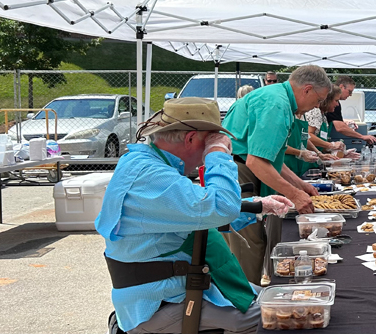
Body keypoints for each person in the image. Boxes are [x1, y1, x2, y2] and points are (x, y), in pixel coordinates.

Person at [97, 98, 293, 334]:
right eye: (210, 141)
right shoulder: (150, 175)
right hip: (161, 300)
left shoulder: (145, 164)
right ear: (191, 139)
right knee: (283, 318)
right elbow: (217, 208)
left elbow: (190, 211)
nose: (207, 153)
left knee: (285, 298)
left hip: (173, 289)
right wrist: (218, 153)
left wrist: (256, 206)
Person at [222, 65, 330, 284]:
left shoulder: (278, 99)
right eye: (319, 100)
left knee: (250, 242)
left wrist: (300, 185)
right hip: (240, 172)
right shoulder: (276, 104)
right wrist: (296, 195)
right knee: (249, 244)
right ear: (307, 89)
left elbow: (271, 158)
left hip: (242, 168)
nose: (316, 106)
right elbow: (257, 161)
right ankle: (248, 307)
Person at [325, 75, 376, 145]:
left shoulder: (335, 104)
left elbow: (333, 118)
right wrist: (362, 136)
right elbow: (340, 127)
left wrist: (344, 121)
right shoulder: (331, 103)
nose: (350, 95)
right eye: (349, 92)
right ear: (341, 87)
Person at [305, 86, 346, 155]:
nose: (337, 104)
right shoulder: (315, 112)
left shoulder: (323, 116)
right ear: (327, 100)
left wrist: (339, 152)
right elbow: (308, 136)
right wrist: (330, 145)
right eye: (336, 100)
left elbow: (319, 145)